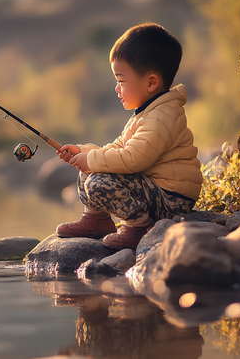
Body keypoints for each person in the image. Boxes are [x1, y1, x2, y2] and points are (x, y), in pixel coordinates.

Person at [56, 23, 203, 250]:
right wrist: (85, 152)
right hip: (155, 190)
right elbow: (119, 148)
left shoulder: (162, 116)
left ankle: (140, 227)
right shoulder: (148, 111)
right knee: (90, 169)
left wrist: (93, 160)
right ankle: (97, 220)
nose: (116, 88)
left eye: (121, 80)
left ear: (151, 82)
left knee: (98, 179)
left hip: (172, 199)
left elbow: (134, 159)